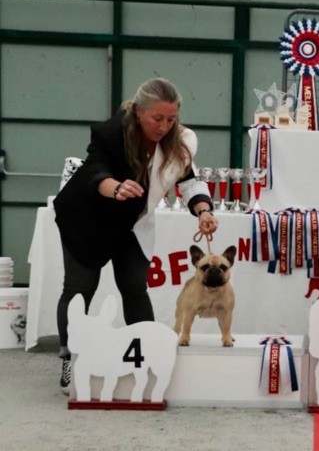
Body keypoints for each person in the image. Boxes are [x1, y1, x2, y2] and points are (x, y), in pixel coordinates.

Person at [53, 78, 217, 393]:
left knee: (134, 287)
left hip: (133, 223)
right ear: (140, 111)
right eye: (157, 118)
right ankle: (69, 358)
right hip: (88, 219)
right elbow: (95, 172)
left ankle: (145, 356)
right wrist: (116, 188)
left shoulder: (179, 142)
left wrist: (204, 211)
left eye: (171, 119)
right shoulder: (110, 133)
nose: (164, 126)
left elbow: (188, 180)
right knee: (79, 289)